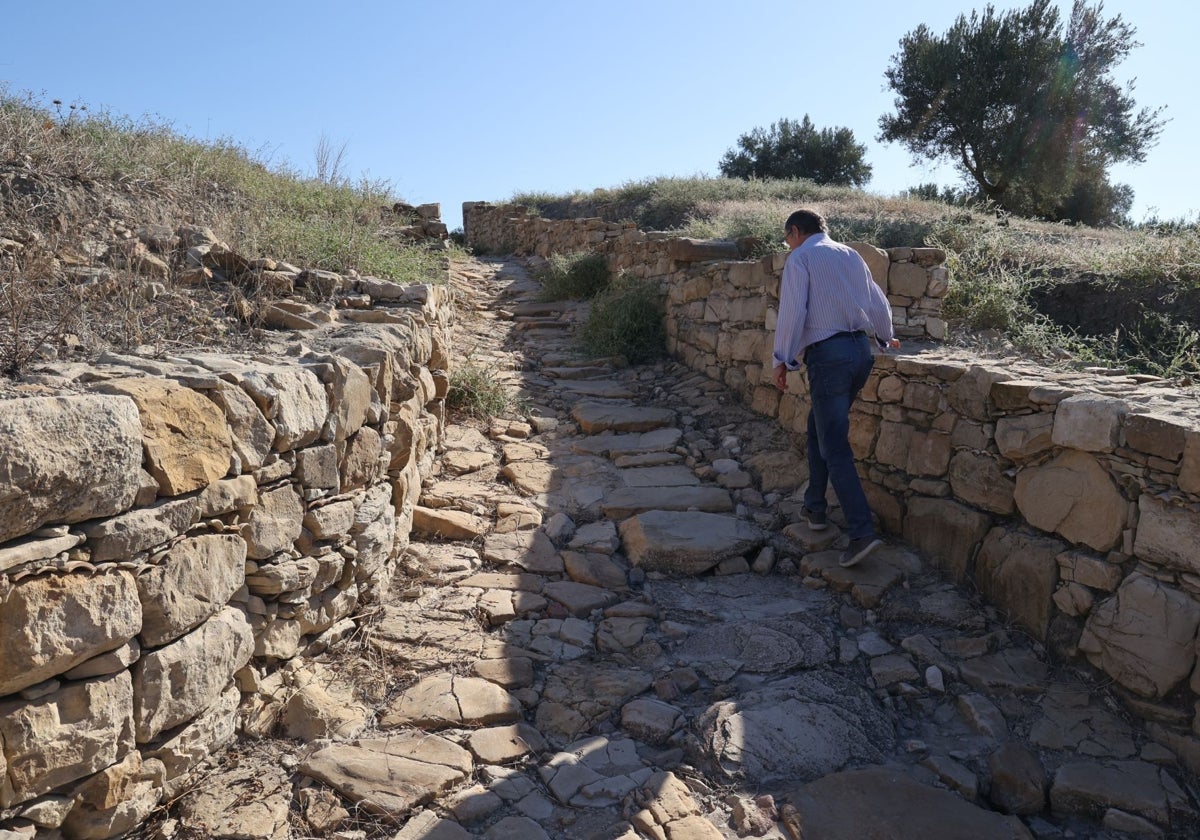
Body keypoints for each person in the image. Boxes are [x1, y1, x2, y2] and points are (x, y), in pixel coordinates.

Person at [772, 208, 899, 568]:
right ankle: (815, 507)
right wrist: (886, 337)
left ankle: (862, 533)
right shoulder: (850, 254)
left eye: (786, 238)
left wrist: (782, 359)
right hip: (860, 352)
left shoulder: (801, 259)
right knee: (820, 428)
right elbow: (876, 299)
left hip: (829, 357)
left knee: (834, 445)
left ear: (795, 231)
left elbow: (793, 312)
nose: (787, 244)